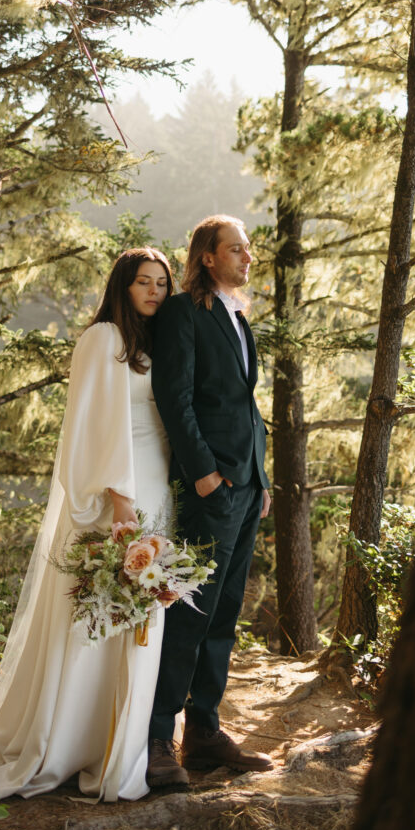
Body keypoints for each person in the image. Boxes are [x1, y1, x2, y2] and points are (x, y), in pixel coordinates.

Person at [0, 247, 174, 802]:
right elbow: (93, 428)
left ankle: (120, 742)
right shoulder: (104, 339)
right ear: (123, 285)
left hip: (157, 488)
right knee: (98, 615)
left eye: (162, 283)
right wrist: (121, 502)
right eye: (144, 282)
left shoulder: (152, 343)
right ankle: (73, 742)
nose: (155, 291)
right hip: (119, 497)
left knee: (140, 616)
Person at [146, 215, 273, 787]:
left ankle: (203, 731)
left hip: (247, 489)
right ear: (206, 256)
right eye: (237, 249)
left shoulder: (237, 317)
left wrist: (261, 480)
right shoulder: (181, 314)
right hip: (211, 488)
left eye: (248, 249)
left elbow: (245, 406)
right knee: (191, 612)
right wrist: (204, 476)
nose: (248, 258)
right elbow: (175, 397)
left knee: (224, 614)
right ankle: (156, 739)